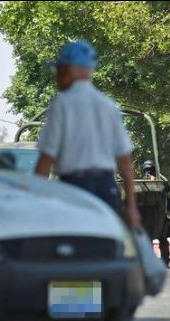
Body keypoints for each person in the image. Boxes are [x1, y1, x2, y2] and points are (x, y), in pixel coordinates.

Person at [35, 40, 141, 229]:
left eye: (60, 70)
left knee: (76, 248)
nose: (57, 76)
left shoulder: (62, 104)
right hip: (106, 189)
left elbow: (46, 158)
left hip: (74, 189)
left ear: (72, 70)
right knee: (103, 248)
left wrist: (32, 199)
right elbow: (124, 160)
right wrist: (131, 207)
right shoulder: (109, 106)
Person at [142, 160, 170, 265]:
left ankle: (162, 260)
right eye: (148, 170)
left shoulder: (157, 183)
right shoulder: (140, 184)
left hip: (154, 221)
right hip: (152, 221)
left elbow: (168, 202)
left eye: (149, 170)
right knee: (161, 238)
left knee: (163, 236)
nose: (149, 172)